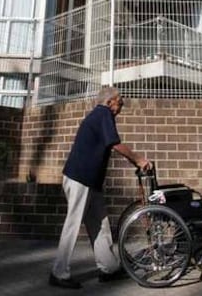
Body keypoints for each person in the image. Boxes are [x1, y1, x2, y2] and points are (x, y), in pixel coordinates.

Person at [49, 87, 152, 289]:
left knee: (100, 223)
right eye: (120, 101)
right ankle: (59, 272)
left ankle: (109, 268)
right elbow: (115, 143)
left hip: (90, 181)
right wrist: (138, 159)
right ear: (110, 101)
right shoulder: (103, 113)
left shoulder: (99, 115)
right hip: (80, 178)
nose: (122, 105)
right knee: (73, 222)